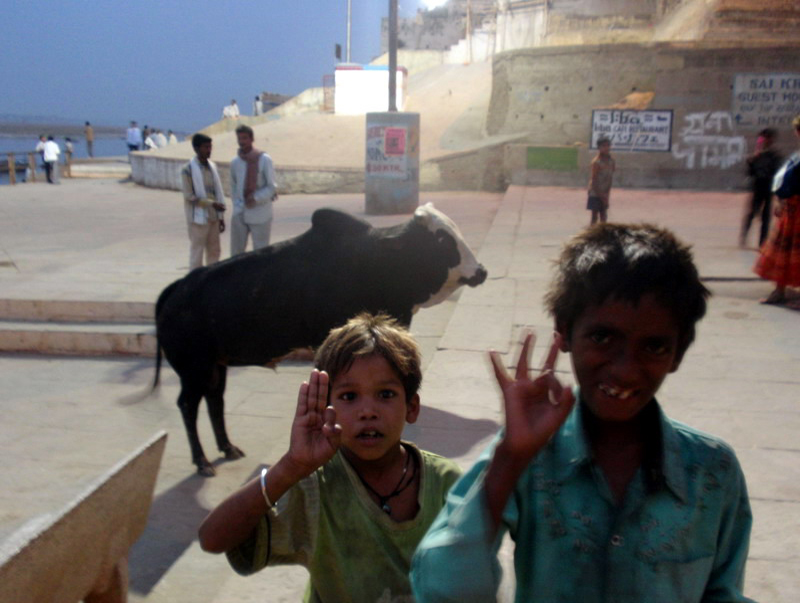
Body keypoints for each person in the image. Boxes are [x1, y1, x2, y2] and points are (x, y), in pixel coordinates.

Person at [412, 223, 754, 602]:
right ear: (565, 330)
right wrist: (509, 461)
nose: (625, 369)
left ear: (680, 351)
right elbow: (442, 586)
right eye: (603, 337)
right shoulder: (530, 457)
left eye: (654, 346)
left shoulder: (711, 471)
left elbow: (723, 592)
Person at [198, 313, 462, 602]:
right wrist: (291, 466)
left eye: (385, 394)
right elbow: (212, 539)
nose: (367, 412)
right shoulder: (314, 485)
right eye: (349, 397)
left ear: (411, 407)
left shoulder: (446, 481)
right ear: (326, 408)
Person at [754, 115, 800, 306]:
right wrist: (781, 201)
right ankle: (779, 291)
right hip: (790, 209)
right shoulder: (797, 155)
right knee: (783, 250)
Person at [229, 125, 278, 255]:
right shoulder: (235, 162)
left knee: (260, 253)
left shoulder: (264, 159)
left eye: (245, 138)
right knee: (236, 253)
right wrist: (237, 205)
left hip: (260, 213)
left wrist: (255, 198)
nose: (242, 141)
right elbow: (233, 187)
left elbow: (271, 187)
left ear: (252, 139)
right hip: (240, 212)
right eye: (239, 138)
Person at [181, 133, 226, 270]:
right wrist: (211, 204)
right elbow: (189, 196)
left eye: (210, 147)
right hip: (198, 219)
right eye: (206, 147)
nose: (209, 150)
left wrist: (221, 218)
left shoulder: (213, 167)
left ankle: (211, 280)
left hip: (213, 217)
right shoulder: (188, 170)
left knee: (214, 251)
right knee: (197, 253)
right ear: (196, 148)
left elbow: (217, 192)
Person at [741, 128, 782, 248]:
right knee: (752, 214)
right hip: (757, 188)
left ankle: (762, 242)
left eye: (767, 138)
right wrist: (751, 162)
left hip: (768, 190)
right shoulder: (757, 156)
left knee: (765, 217)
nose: (765, 141)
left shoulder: (774, 156)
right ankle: (744, 237)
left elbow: (777, 173)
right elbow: (750, 173)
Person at [586, 136, 615, 225]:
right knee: (594, 216)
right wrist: (601, 195)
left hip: (605, 191)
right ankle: (590, 235)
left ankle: (603, 234)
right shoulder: (596, 162)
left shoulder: (611, 161)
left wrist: (606, 194)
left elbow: (610, 178)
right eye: (604, 146)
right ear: (599, 148)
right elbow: (594, 180)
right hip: (595, 191)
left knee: (604, 215)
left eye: (608, 145)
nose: (606, 148)